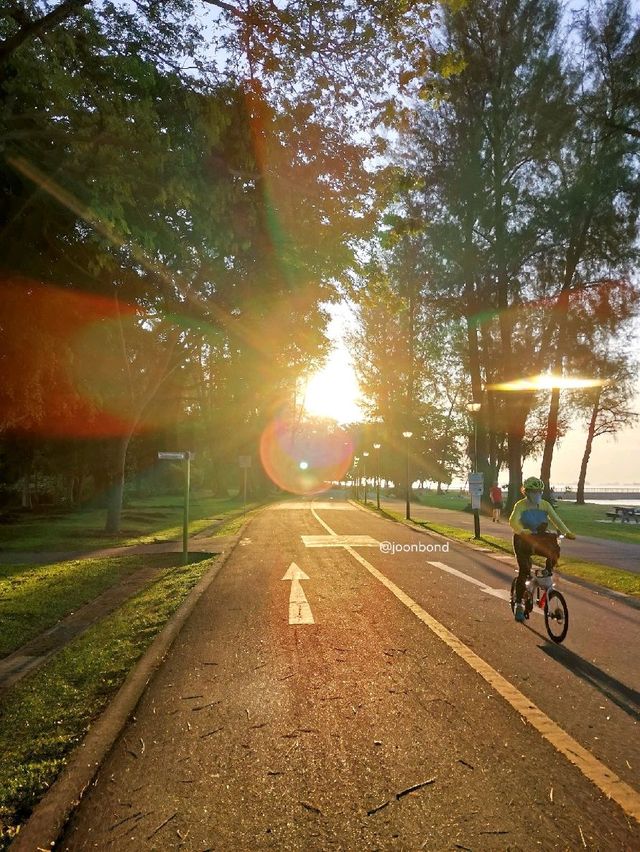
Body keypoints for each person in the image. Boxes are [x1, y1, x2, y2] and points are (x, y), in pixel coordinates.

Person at [509, 476, 576, 623]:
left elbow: (556, 519)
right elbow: (513, 521)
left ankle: (547, 571)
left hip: (539, 537)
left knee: (554, 548)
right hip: (523, 539)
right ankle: (519, 605)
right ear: (526, 492)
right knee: (524, 570)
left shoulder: (545, 505)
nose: (537, 494)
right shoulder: (520, 505)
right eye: (534, 491)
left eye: (539, 491)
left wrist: (566, 532)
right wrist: (521, 530)